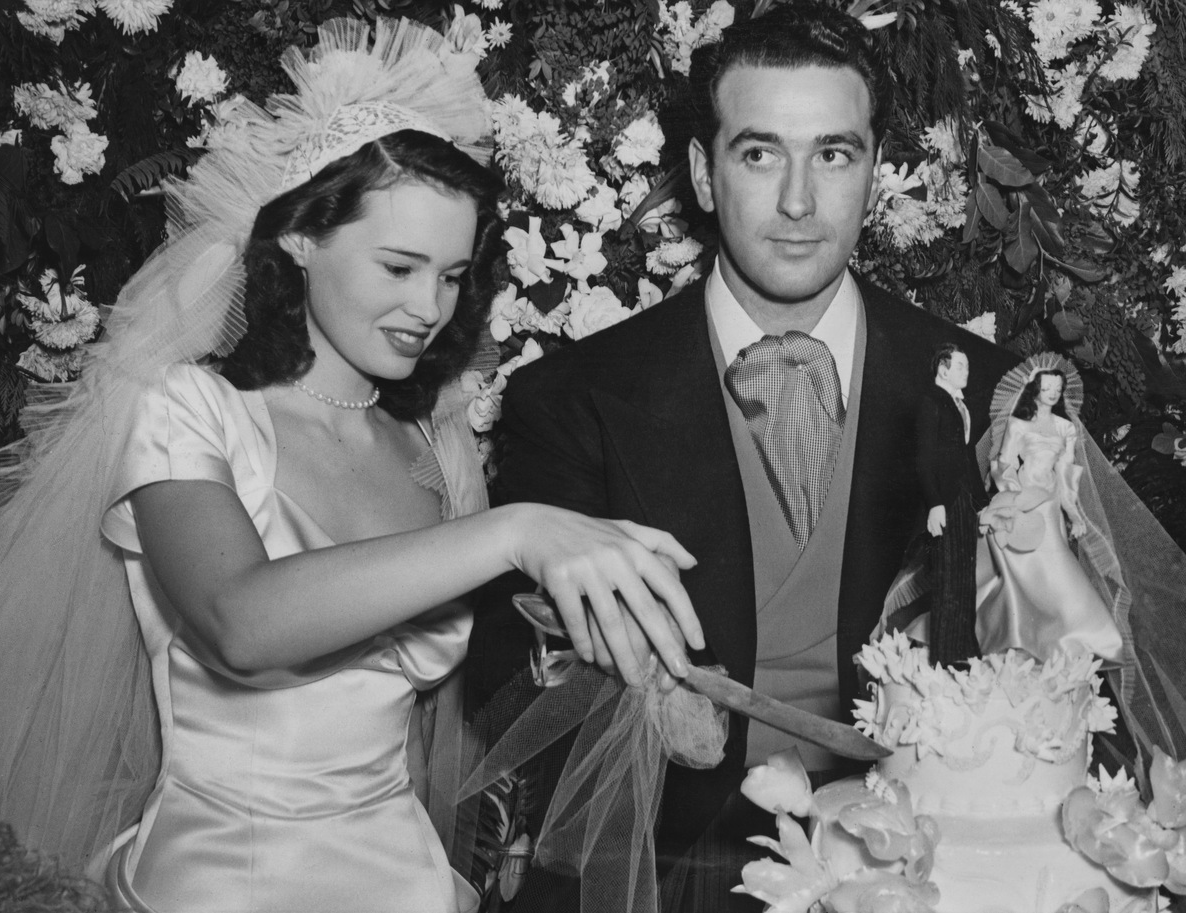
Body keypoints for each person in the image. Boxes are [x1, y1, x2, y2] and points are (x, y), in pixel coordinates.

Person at [0, 18, 704, 913]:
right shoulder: (189, 413)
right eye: (399, 265)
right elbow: (241, 623)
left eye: (451, 274)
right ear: (298, 239)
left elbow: (430, 727)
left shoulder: (437, 447)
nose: (430, 307)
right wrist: (519, 530)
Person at [465, 3, 1017, 911]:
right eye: (761, 153)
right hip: (663, 871)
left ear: (874, 169)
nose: (799, 201)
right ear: (704, 174)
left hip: (926, 867)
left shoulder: (978, 386)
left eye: (833, 154)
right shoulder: (569, 400)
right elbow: (521, 698)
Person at [975, 359, 1125, 663]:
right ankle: (1018, 641)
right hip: (1023, 503)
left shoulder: (1066, 428)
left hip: (1051, 505)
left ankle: (1078, 637)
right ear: (1035, 390)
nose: (1053, 392)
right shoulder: (1018, 425)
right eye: (1047, 387)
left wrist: (1074, 514)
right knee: (1024, 572)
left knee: (1057, 570)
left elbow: (1066, 475)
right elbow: (1003, 464)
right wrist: (1012, 497)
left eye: (1058, 388)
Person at [917, 343, 985, 665]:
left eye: (968, 366)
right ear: (943, 369)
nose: (967, 371)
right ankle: (944, 657)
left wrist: (982, 503)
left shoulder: (961, 405)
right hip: (944, 501)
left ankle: (964, 650)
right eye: (961, 365)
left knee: (964, 576)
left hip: (964, 502)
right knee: (946, 577)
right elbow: (923, 458)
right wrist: (934, 503)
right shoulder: (931, 401)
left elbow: (968, 457)